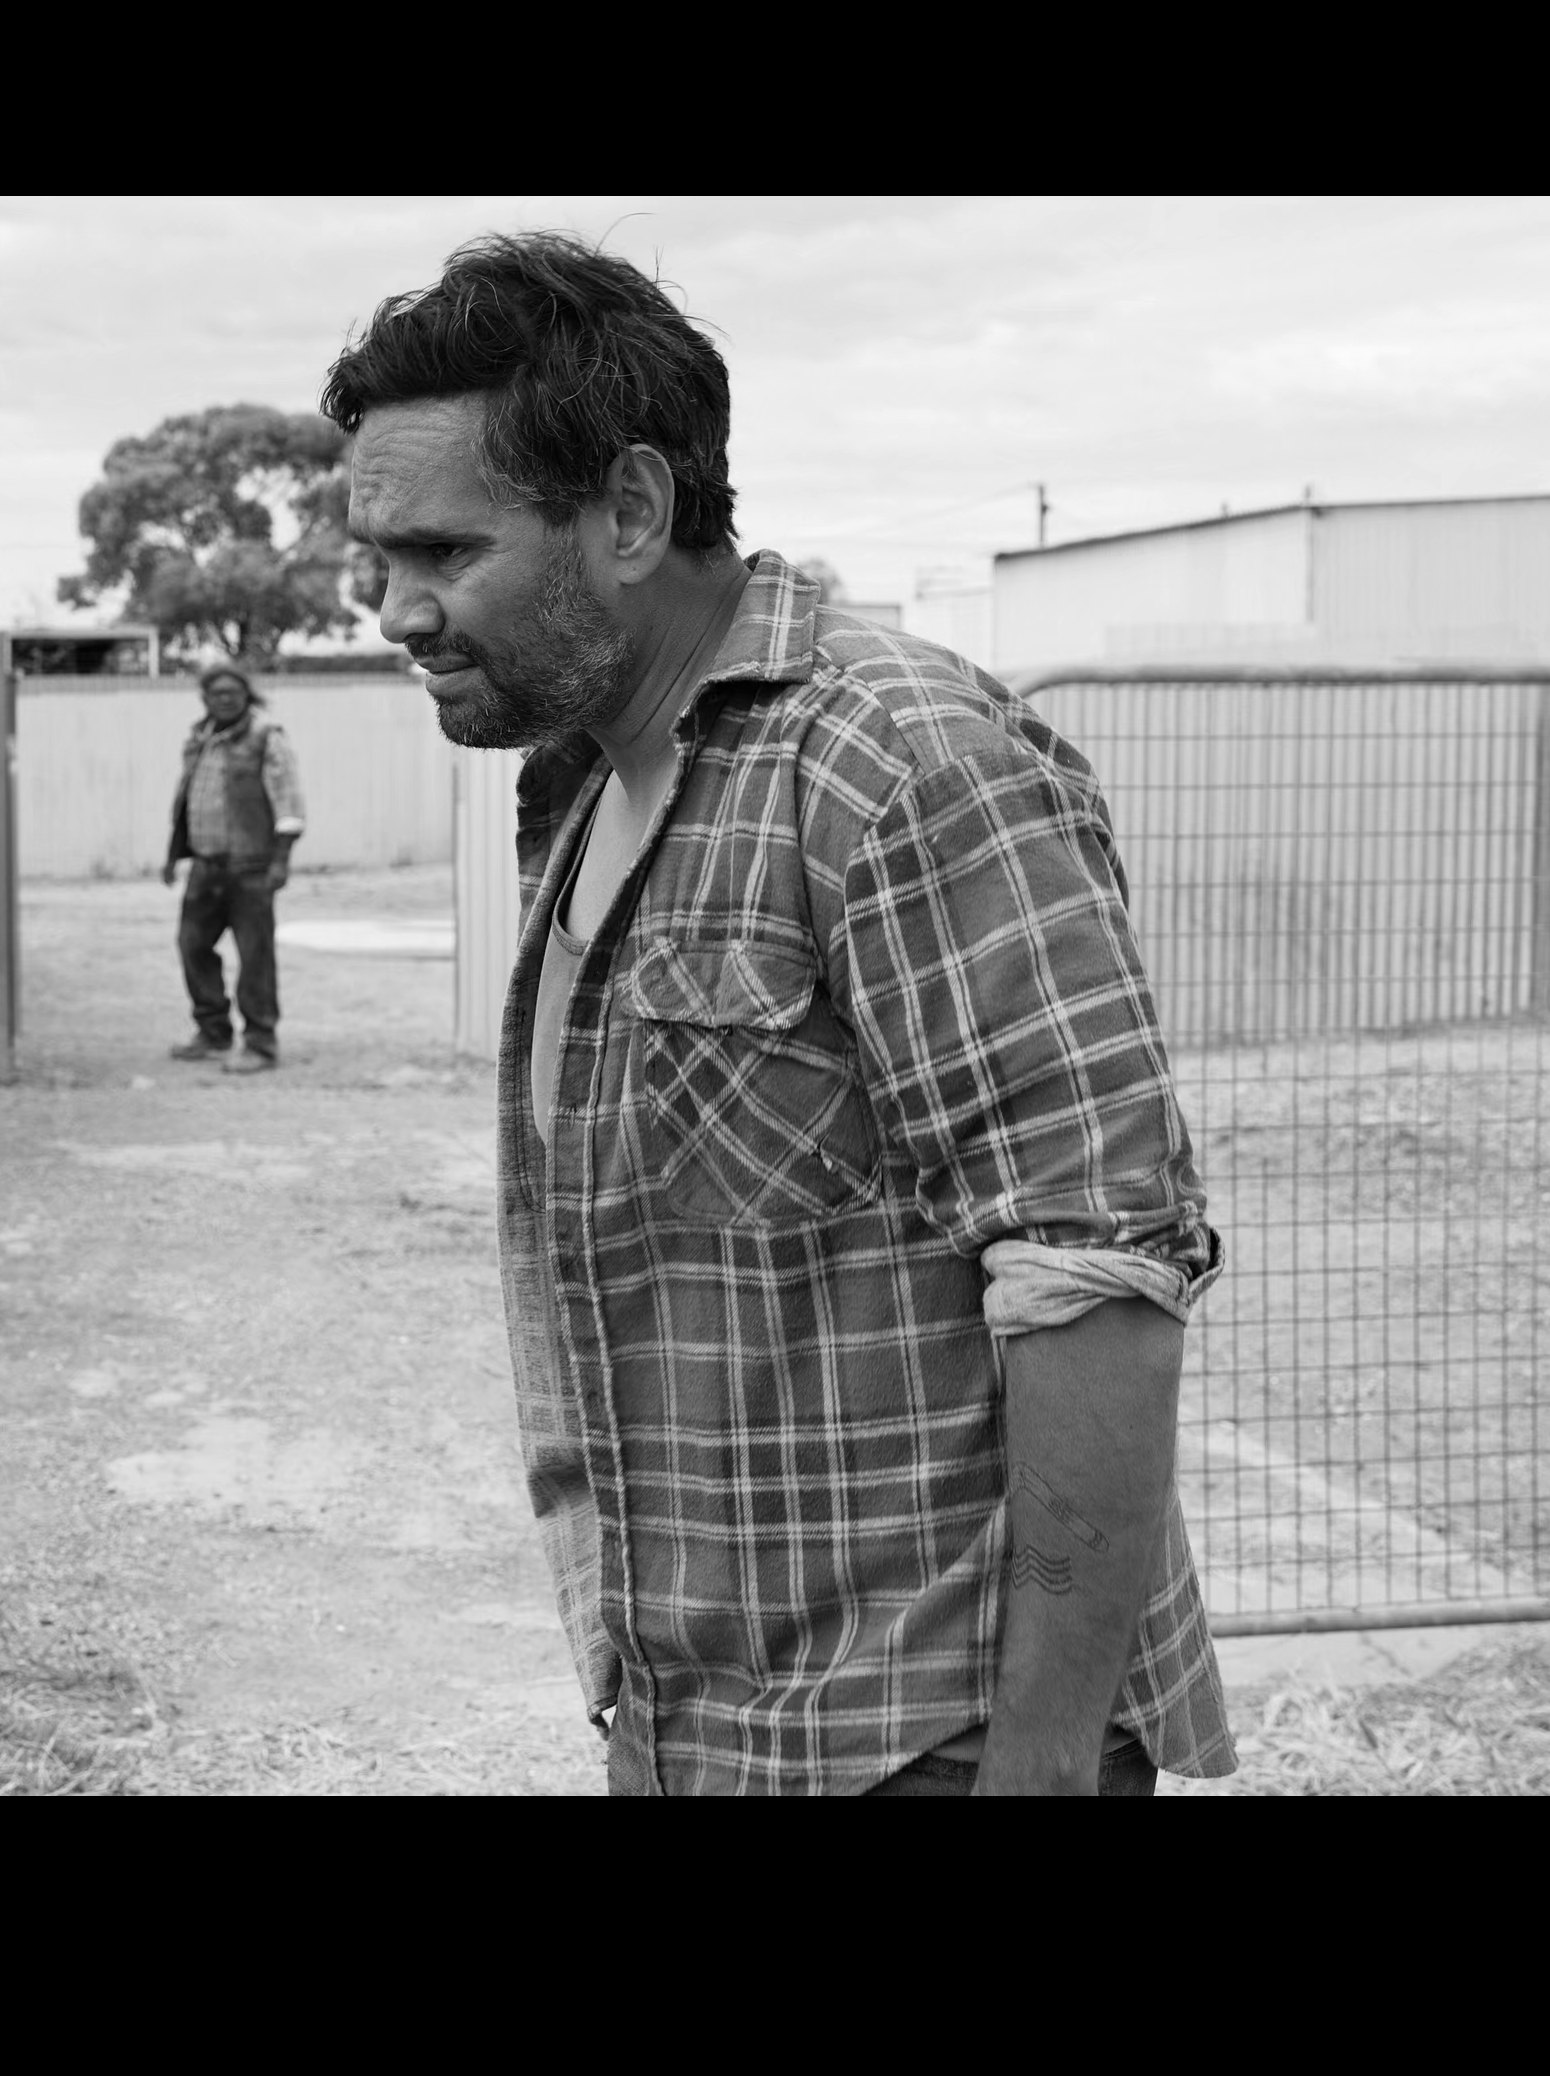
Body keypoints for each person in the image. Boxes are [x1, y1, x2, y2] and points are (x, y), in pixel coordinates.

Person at [327, 234, 1233, 1796]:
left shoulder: (903, 763)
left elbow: (1098, 1282)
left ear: (630, 510)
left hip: (926, 1740)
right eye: (377, 562)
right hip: (708, 1726)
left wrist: (1040, 1769)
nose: (395, 612)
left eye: (444, 552)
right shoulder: (589, 783)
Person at [160, 660, 306, 1074]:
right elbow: (187, 799)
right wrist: (174, 856)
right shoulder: (199, 738)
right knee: (192, 946)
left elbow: (289, 802)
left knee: (255, 957)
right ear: (204, 698)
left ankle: (260, 1043)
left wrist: (281, 861)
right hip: (205, 866)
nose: (224, 699)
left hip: (251, 868)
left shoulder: (266, 737)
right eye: (216, 693)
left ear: (247, 696)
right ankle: (213, 1032)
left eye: (232, 693)